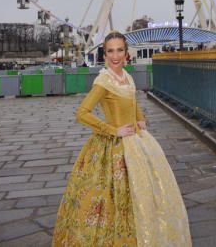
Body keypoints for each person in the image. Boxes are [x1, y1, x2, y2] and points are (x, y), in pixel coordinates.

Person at [52, 30, 191, 246]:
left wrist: (140, 118)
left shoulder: (127, 77)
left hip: (137, 141)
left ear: (126, 53)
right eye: (110, 51)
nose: (115, 56)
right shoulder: (104, 81)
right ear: (104, 55)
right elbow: (82, 113)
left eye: (119, 50)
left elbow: (133, 103)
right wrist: (112, 130)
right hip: (117, 145)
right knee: (117, 197)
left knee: (146, 194)